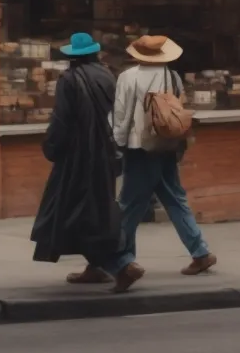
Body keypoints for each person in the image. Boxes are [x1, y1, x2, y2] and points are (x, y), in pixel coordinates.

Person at [31, 33, 141, 291]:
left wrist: (52, 148)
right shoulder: (107, 76)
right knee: (93, 211)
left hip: (78, 159)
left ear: (72, 57)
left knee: (78, 215)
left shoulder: (69, 80)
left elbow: (61, 121)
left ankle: (122, 265)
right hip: (106, 154)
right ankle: (97, 268)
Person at [111, 34, 218, 274]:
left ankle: (121, 259)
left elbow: (122, 114)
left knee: (129, 203)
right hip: (167, 144)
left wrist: (117, 142)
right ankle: (200, 251)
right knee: (174, 197)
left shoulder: (128, 77)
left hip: (139, 147)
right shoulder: (172, 76)